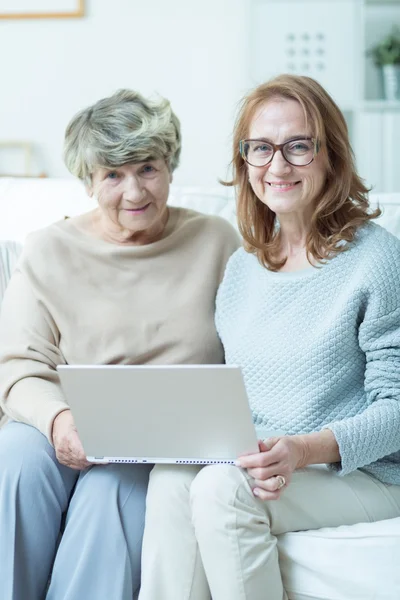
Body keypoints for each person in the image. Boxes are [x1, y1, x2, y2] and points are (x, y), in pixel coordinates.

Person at [138, 74, 400, 600]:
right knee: (170, 478)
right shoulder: (242, 268)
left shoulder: (377, 259)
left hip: (362, 473)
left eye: (298, 146)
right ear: (245, 161)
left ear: (331, 156)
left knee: (220, 488)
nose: (277, 165)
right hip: (263, 464)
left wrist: (303, 451)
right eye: (261, 148)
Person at [0, 89, 239, 600]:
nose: (134, 191)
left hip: (167, 435)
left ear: (170, 167)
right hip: (65, 418)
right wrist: (61, 422)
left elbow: (253, 350)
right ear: (89, 182)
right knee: (14, 462)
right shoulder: (48, 249)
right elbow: (19, 364)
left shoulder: (218, 242)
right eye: (113, 174)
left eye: (147, 168)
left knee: (112, 494)